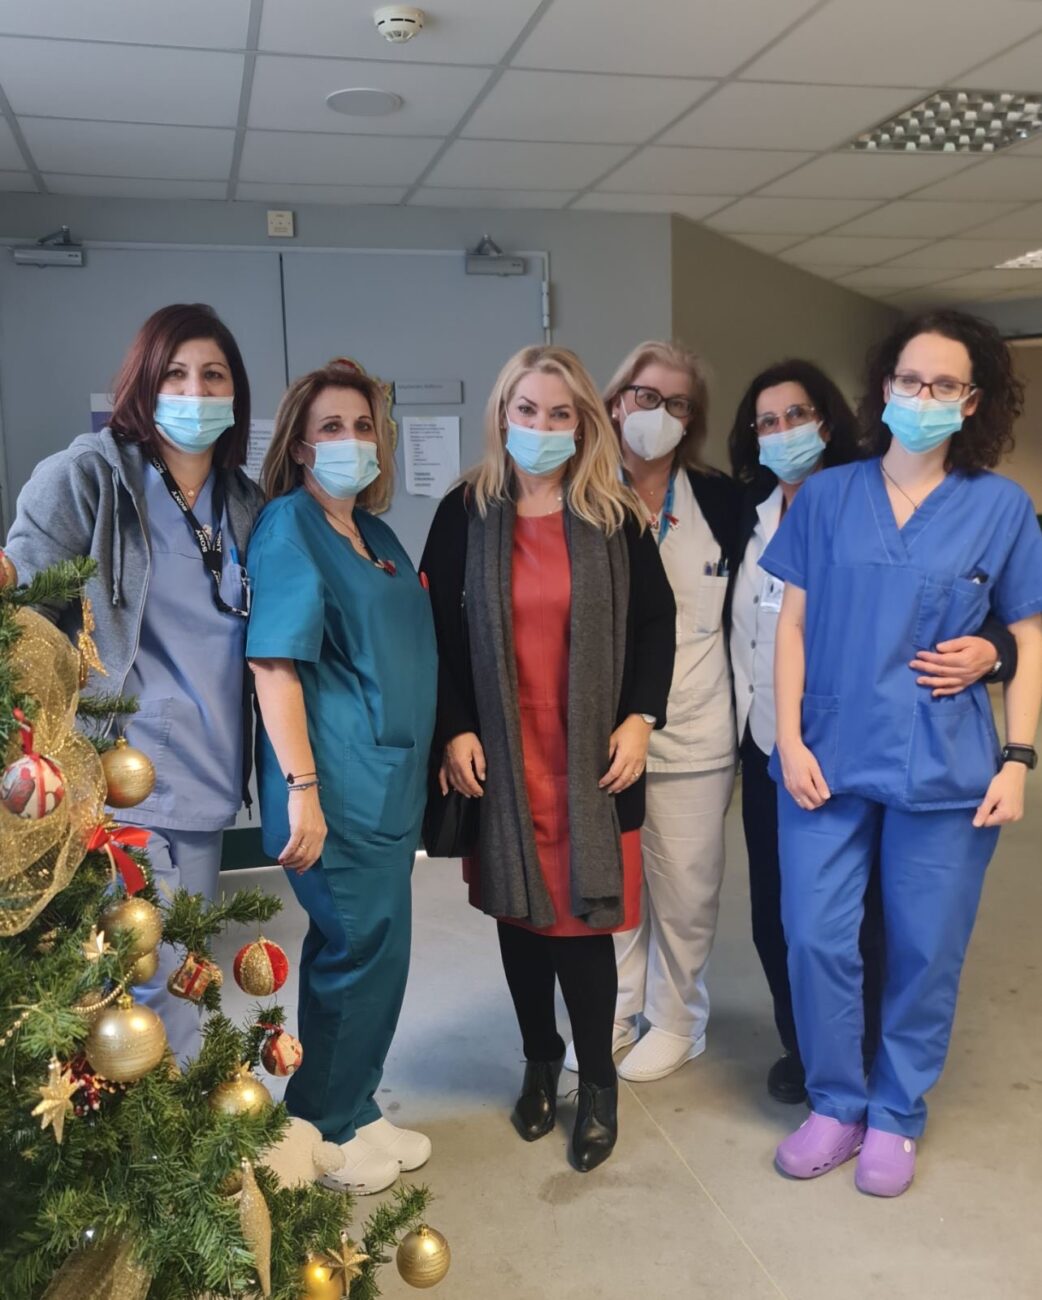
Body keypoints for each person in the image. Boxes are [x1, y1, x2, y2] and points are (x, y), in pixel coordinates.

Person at [763, 311, 1042, 1197]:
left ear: (972, 402)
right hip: (827, 754)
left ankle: (895, 1113)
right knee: (815, 938)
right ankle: (835, 1103)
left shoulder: (1001, 508)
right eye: (911, 379)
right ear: (885, 388)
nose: (924, 396)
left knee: (926, 949)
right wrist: (788, 739)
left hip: (947, 761)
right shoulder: (828, 497)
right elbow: (791, 627)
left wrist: (1018, 759)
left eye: (944, 384)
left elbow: (1029, 636)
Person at [726, 360, 1016, 1105]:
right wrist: (786, 742)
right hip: (788, 744)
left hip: (904, 746)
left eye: (796, 416)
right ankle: (816, 1067)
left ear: (828, 421)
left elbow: (1006, 616)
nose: (782, 433)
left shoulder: (962, 502)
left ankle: (883, 1086)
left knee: (900, 933)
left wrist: (997, 667)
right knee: (798, 924)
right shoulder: (760, 510)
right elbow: (769, 627)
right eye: (767, 422)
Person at [421, 345, 675, 1172]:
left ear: (583, 423)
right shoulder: (464, 512)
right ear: (503, 416)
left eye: (560, 413)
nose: (541, 425)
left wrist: (640, 718)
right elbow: (433, 635)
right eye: (526, 409)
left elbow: (655, 624)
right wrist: (455, 727)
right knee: (521, 919)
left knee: (580, 926)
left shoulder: (614, 514)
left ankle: (596, 1081)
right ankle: (539, 1061)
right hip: (502, 755)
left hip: (590, 760)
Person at [5, 303, 262, 1062]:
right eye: (174, 374)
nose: (195, 391)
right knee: (144, 984)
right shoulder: (90, 476)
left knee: (183, 972)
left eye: (213, 375)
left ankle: (179, 1115)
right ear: (142, 385)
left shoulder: (244, 504)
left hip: (211, 777)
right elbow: (23, 615)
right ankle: (172, 1127)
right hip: (121, 776)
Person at [246, 359, 437, 1196]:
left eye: (363, 427)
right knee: (355, 952)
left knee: (380, 951)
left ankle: (356, 1105)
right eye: (331, 427)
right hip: (335, 786)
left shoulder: (376, 536)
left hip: (389, 785)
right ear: (298, 444)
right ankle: (322, 1126)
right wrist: (302, 790)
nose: (351, 441)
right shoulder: (290, 527)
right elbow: (274, 664)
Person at [564, 340, 738, 1084]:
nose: (658, 413)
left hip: (694, 733)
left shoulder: (722, 503)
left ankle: (678, 1019)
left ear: (691, 420)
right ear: (614, 402)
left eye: (677, 403)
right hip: (598, 736)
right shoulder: (578, 494)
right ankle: (616, 1009)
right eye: (645, 396)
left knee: (686, 891)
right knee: (611, 886)